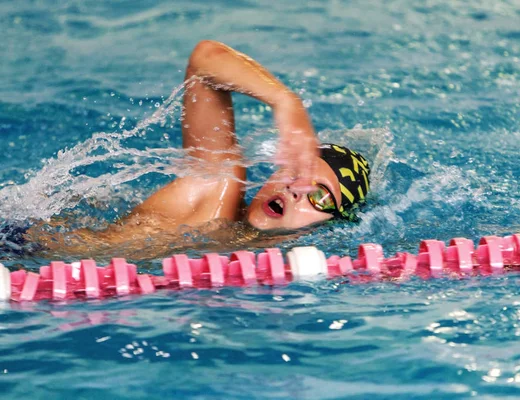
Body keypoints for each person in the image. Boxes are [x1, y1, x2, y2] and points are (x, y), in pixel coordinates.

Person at [5, 40, 371, 259]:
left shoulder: (258, 258)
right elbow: (205, 59)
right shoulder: (217, 191)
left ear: (335, 223)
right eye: (294, 169)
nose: (295, 187)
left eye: (319, 196)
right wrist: (284, 100)